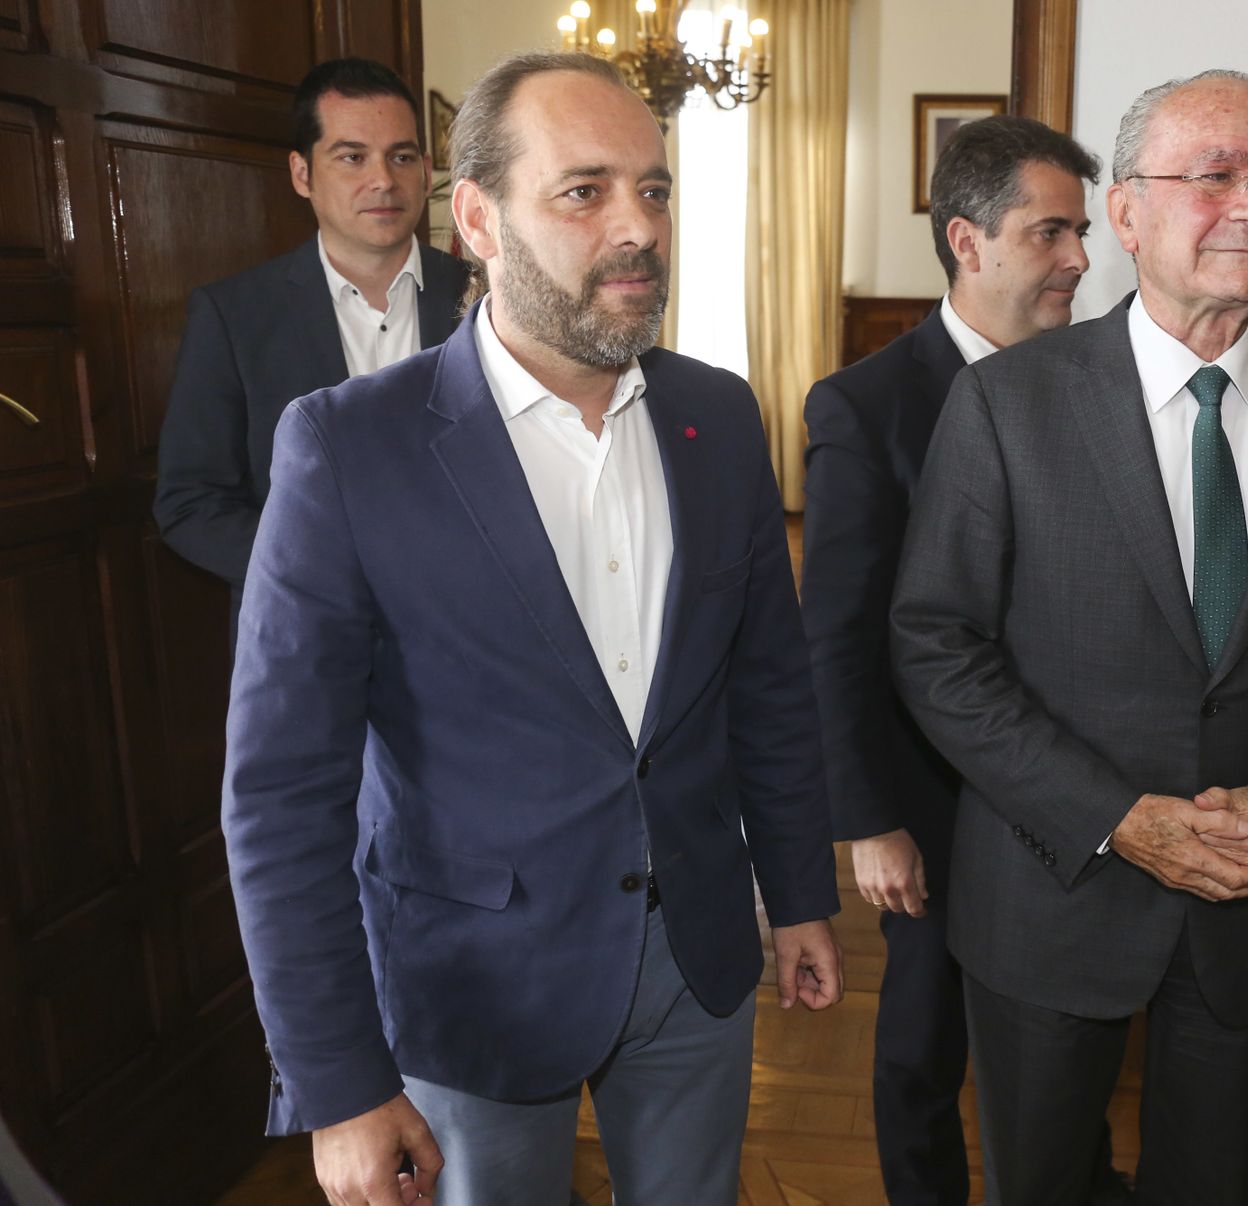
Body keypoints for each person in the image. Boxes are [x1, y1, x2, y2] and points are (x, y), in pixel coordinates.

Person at [221, 51, 842, 1206]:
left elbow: (769, 686)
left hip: (696, 961)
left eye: (654, 190)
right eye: (584, 190)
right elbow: (280, 796)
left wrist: (800, 892)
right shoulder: (349, 448)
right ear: (477, 220)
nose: (637, 227)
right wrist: (342, 1086)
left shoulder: (718, 414)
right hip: (473, 988)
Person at [889, 69, 1248, 1204]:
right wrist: (1113, 818)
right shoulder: (1004, 404)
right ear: (1123, 213)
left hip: (1247, 903)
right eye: (1216, 174)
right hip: (1050, 899)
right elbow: (936, 646)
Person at [801, 116, 1126, 1204]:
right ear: (967, 241)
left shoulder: (1107, 382)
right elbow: (838, 632)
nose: (1079, 258)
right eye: (1050, 233)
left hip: (1078, 782)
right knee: (925, 1042)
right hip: (936, 801)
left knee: (1073, 1034)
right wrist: (867, 820)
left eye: (1080, 232)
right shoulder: (868, 406)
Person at [155, 57, 470, 625]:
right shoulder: (234, 316)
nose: (383, 180)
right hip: (308, 635)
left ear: (426, 170)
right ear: (302, 174)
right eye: (352, 157)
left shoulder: (485, 300)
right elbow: (190, 505)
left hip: (472, 630)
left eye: (401, 156)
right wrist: (328, 572)